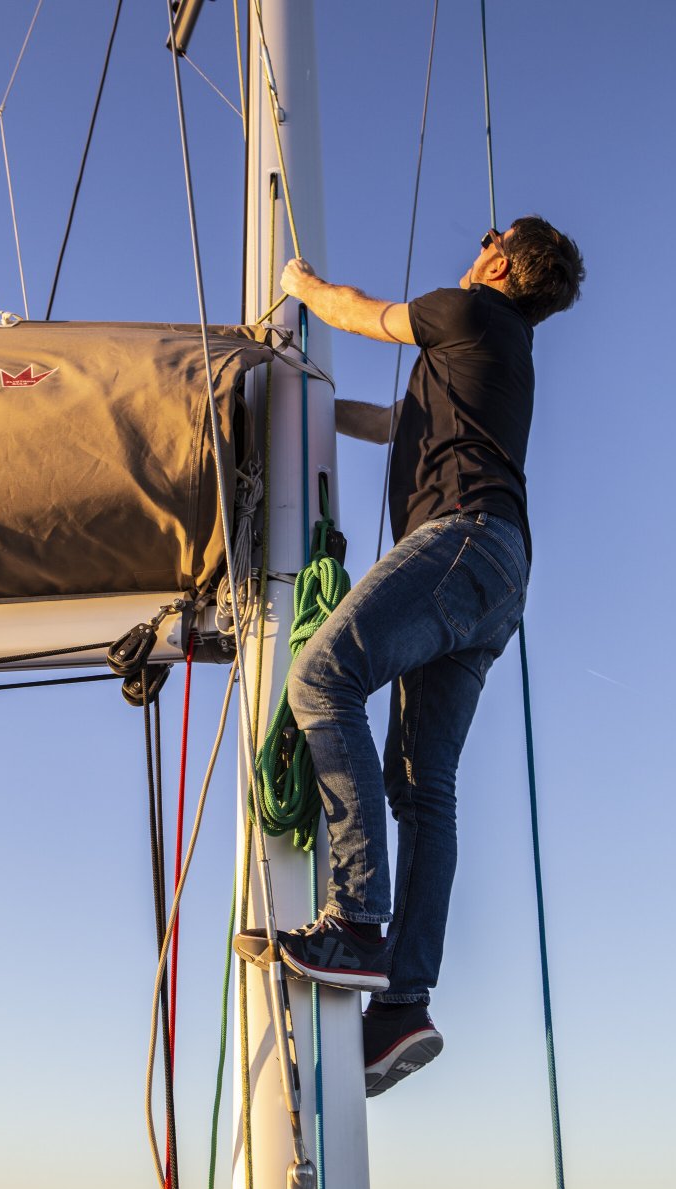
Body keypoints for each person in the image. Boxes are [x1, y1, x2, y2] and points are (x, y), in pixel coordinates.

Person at [235, 216, 585, 1098]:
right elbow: (394, 421)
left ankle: (355, 918)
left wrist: (301, 287)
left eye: (487, 241)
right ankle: (403, 1005)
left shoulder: (466, 310)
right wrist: (301, 408)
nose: (476, 249)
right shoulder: (494, 353)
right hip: (498, 576)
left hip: (459, 543)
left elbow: (358, 312)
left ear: (501, 262)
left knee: (322, 676)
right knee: (424, 786)